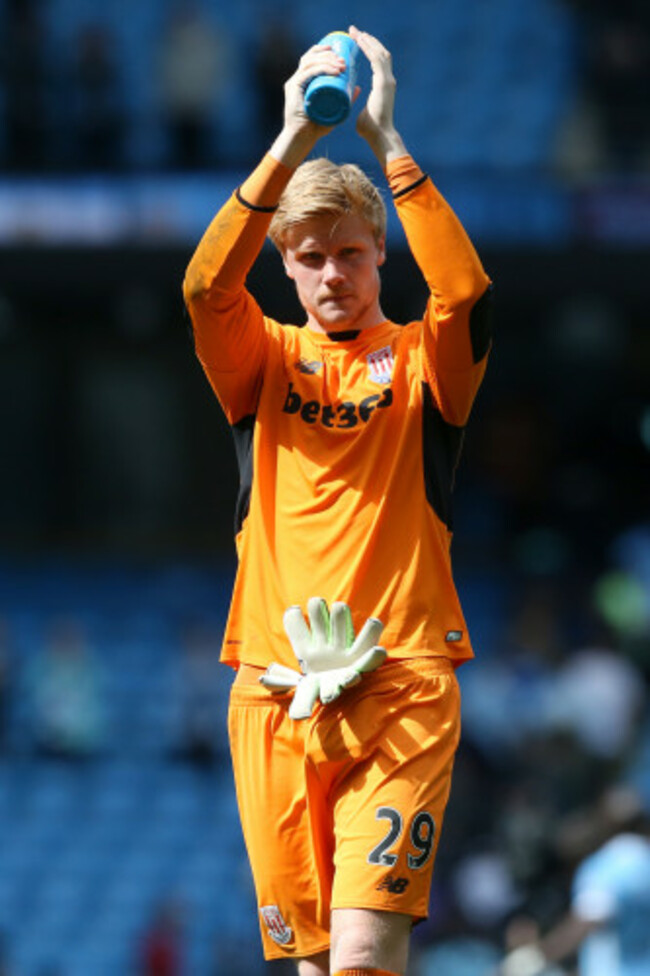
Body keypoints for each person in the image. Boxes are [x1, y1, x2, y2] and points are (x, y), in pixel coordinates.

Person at [183, 25, 493, 976]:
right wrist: (291, 141)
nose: (333, 275)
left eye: (351, 253)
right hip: (272, 691)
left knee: (360, 957)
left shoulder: (420, 362)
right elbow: (203, 287)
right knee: (312, 966)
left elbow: (467, 291)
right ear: (285, 265)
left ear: (380, 254)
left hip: (400, 680)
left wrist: (384, 140)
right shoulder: (264, 360)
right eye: (311, 257)